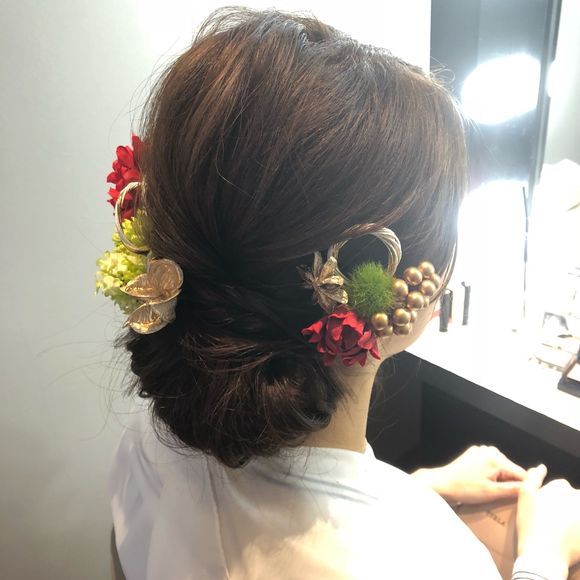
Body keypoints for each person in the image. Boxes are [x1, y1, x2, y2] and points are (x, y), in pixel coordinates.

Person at [106, 7, 580, 580]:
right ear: (372, 268)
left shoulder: (148, 444)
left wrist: (409, 493)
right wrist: (545, 554)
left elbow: (272, 522)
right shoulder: (436, 563)